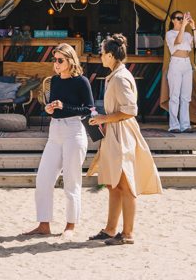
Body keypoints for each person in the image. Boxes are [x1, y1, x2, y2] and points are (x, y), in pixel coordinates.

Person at [87, 34, 162, 245]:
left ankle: (127, 233)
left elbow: (131, 110)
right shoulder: (116, 75)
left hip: (122, 135)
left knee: (125, 184)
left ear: (110, 55)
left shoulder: (120, 78)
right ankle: (111, 229)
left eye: (102, 54)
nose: (100, 57)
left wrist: (104, 118)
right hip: (114, 133)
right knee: (113, 184)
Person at [23, 43, 94, 240]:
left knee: (72, 181)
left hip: (74, 130)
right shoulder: (54, 80)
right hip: (55, 132)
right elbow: (55, 105)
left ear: (71, 61)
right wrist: (49, 109)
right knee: (43, 179)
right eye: (54, 59)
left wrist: (65, 106)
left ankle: (71, 225)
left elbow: (89, 109)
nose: (56, 63)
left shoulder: (82, 82)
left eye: (60, 60)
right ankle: (43, 224)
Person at [165, 10, 196, 133]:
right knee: (174, 96)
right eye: (178, 18)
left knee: (186, 96)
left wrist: (193, 27)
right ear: (173, 20)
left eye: (182, 18)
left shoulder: (188, 34)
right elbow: (177, 42)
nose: (180, 20)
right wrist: (183, 26)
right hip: (176, 63)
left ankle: (185, 125)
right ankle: (174, 125)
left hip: (186, 63)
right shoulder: (170, 34)